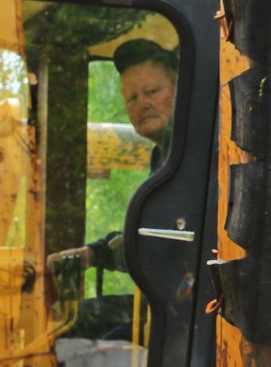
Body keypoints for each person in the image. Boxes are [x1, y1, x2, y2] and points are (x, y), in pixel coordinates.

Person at [48, 39, 178, 274]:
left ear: (179, 89)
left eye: (152, 92)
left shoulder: (193, 154)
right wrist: (93, 253)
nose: (143, 104)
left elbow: (164, 246)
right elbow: (150, 241)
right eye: (132, 98)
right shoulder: (162, 156)